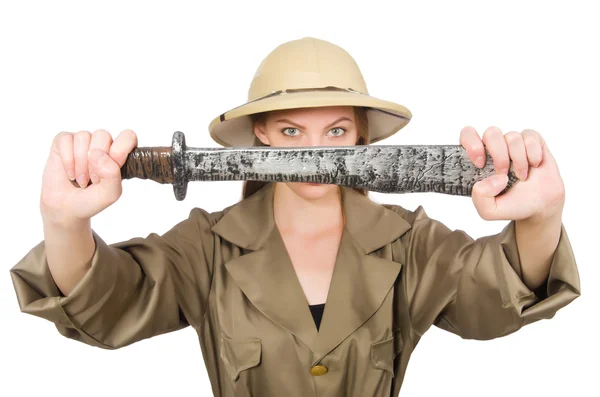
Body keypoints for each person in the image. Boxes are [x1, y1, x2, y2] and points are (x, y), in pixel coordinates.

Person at [10, 37, 580, 397]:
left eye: (335, 131)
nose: (316, 153)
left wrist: (540, 218)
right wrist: (65, 223)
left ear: (360, 133)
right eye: (289, 132)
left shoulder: (411, 243)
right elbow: (109, 304)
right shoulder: (206, 246)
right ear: (259, 134)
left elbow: (496, 296)